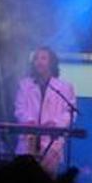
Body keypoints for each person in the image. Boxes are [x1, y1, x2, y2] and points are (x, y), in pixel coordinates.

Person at [13, 46, 77, 176]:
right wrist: (28, 120)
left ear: (51, 62)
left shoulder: (64, 87)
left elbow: (70, 113)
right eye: (36, 58)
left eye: (43, 58)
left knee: (47, 181)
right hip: (28, 140)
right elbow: (19, 108)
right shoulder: (24, 85)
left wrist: (55, 123)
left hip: (51, 142)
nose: (39, 61)